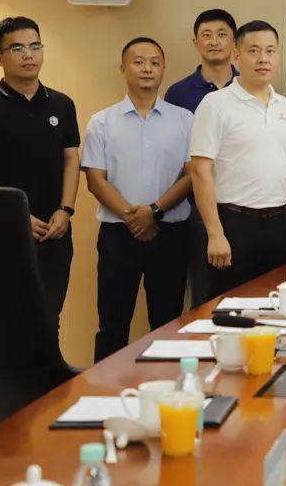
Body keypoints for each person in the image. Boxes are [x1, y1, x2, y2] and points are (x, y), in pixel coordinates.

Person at [0, 16, 80, 326]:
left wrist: (66, 210)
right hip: (5, 230)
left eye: (35, 46)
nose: (29, 55)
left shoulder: (62, 104)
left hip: (54, 230)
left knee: (49, 320)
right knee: (7, 321)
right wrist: (16, 214)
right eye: (17, 48)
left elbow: (71, 159)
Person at [82, 38, 193, 361]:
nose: (147, 69)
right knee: (112, 326)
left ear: (163, 69)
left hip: (170, 234)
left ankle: (166, 387)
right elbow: (95, 180)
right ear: (123, 68)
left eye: (155, 62)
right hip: (118, 235)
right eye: (139, 62)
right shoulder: (102, 121)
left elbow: (192, 175)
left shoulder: (184, 119)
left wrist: (154, 212)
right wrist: (134, 218)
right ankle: (105, 388)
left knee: (168, 324)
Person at [189, 20, 286, 296]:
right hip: (234, 224)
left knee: (278, 306)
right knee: (232, 308)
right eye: (254, 51)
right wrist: (215, 234)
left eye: (270, 51)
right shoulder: (215, 104)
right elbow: (200, 171)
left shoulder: (284, 106)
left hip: (279, 224)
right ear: (237, 55)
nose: (263, 59)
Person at [164, 8, 239, 306]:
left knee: (245, 294)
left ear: (234, 43)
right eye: (206, 35)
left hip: (242, 208)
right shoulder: (178, 93)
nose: (214, 41)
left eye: (222, 35)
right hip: (194, 209)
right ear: (196, 43)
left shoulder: (251, 87)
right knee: (203, 295)